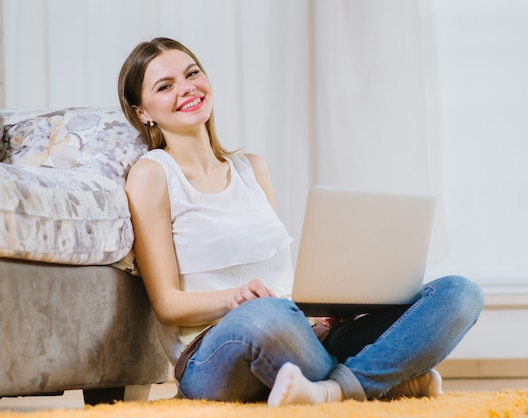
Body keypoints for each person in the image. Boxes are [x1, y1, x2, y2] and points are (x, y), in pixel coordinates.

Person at [118, 37, 484, 407]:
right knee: (267, 313)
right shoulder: (152, 175)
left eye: (192, 73)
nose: (186, 88)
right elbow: (166, 304)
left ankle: (332, 390)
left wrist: (325, 311)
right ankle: (381, 381)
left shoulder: (252, 168)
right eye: (165, 87)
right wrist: (233, 299)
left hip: (297, 333)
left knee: (459, 292)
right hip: (215, 353)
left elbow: (280, 280)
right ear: (142, 112)